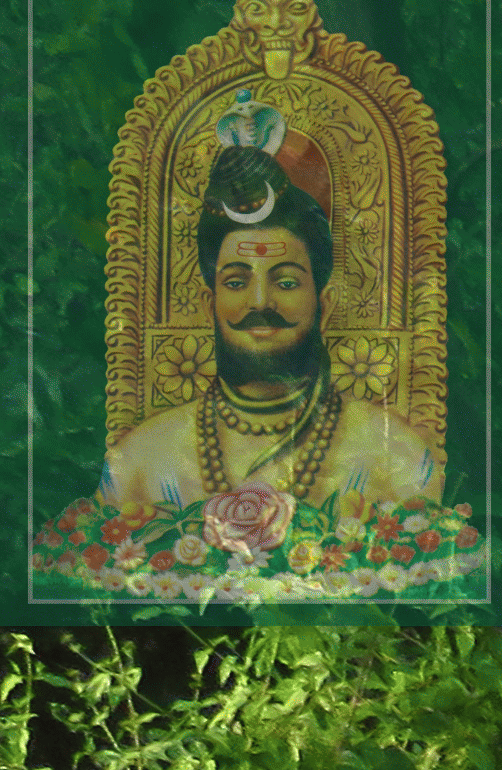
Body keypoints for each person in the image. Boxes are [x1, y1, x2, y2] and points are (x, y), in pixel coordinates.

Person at [106, 132, 444, 519]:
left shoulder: (397, 461)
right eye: (236, 282)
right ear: (208, 305)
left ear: (325, 305)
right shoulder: (138, 464)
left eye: (285, 282)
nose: (260, 302)